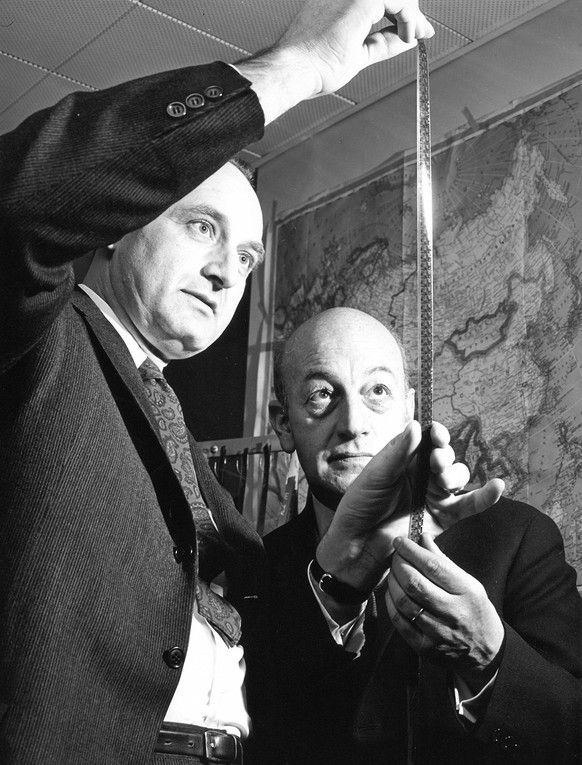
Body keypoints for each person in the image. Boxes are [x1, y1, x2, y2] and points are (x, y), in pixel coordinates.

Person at [0, 2, 443, 763]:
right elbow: (22, 205)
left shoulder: (181, 442)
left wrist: (343, 564)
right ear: (117, 224)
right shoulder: (37, 337)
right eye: (202, 227)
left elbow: (262, 668)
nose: (224, 273)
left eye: (245, 258)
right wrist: (294, 69)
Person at [263, 307, 582, 765]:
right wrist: (335, 595)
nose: (353, 422)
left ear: (409, 409)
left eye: (377, 390)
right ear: (283, 424)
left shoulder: (519, 539)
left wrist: (489, 658)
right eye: (321, 394)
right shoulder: (255, 568)